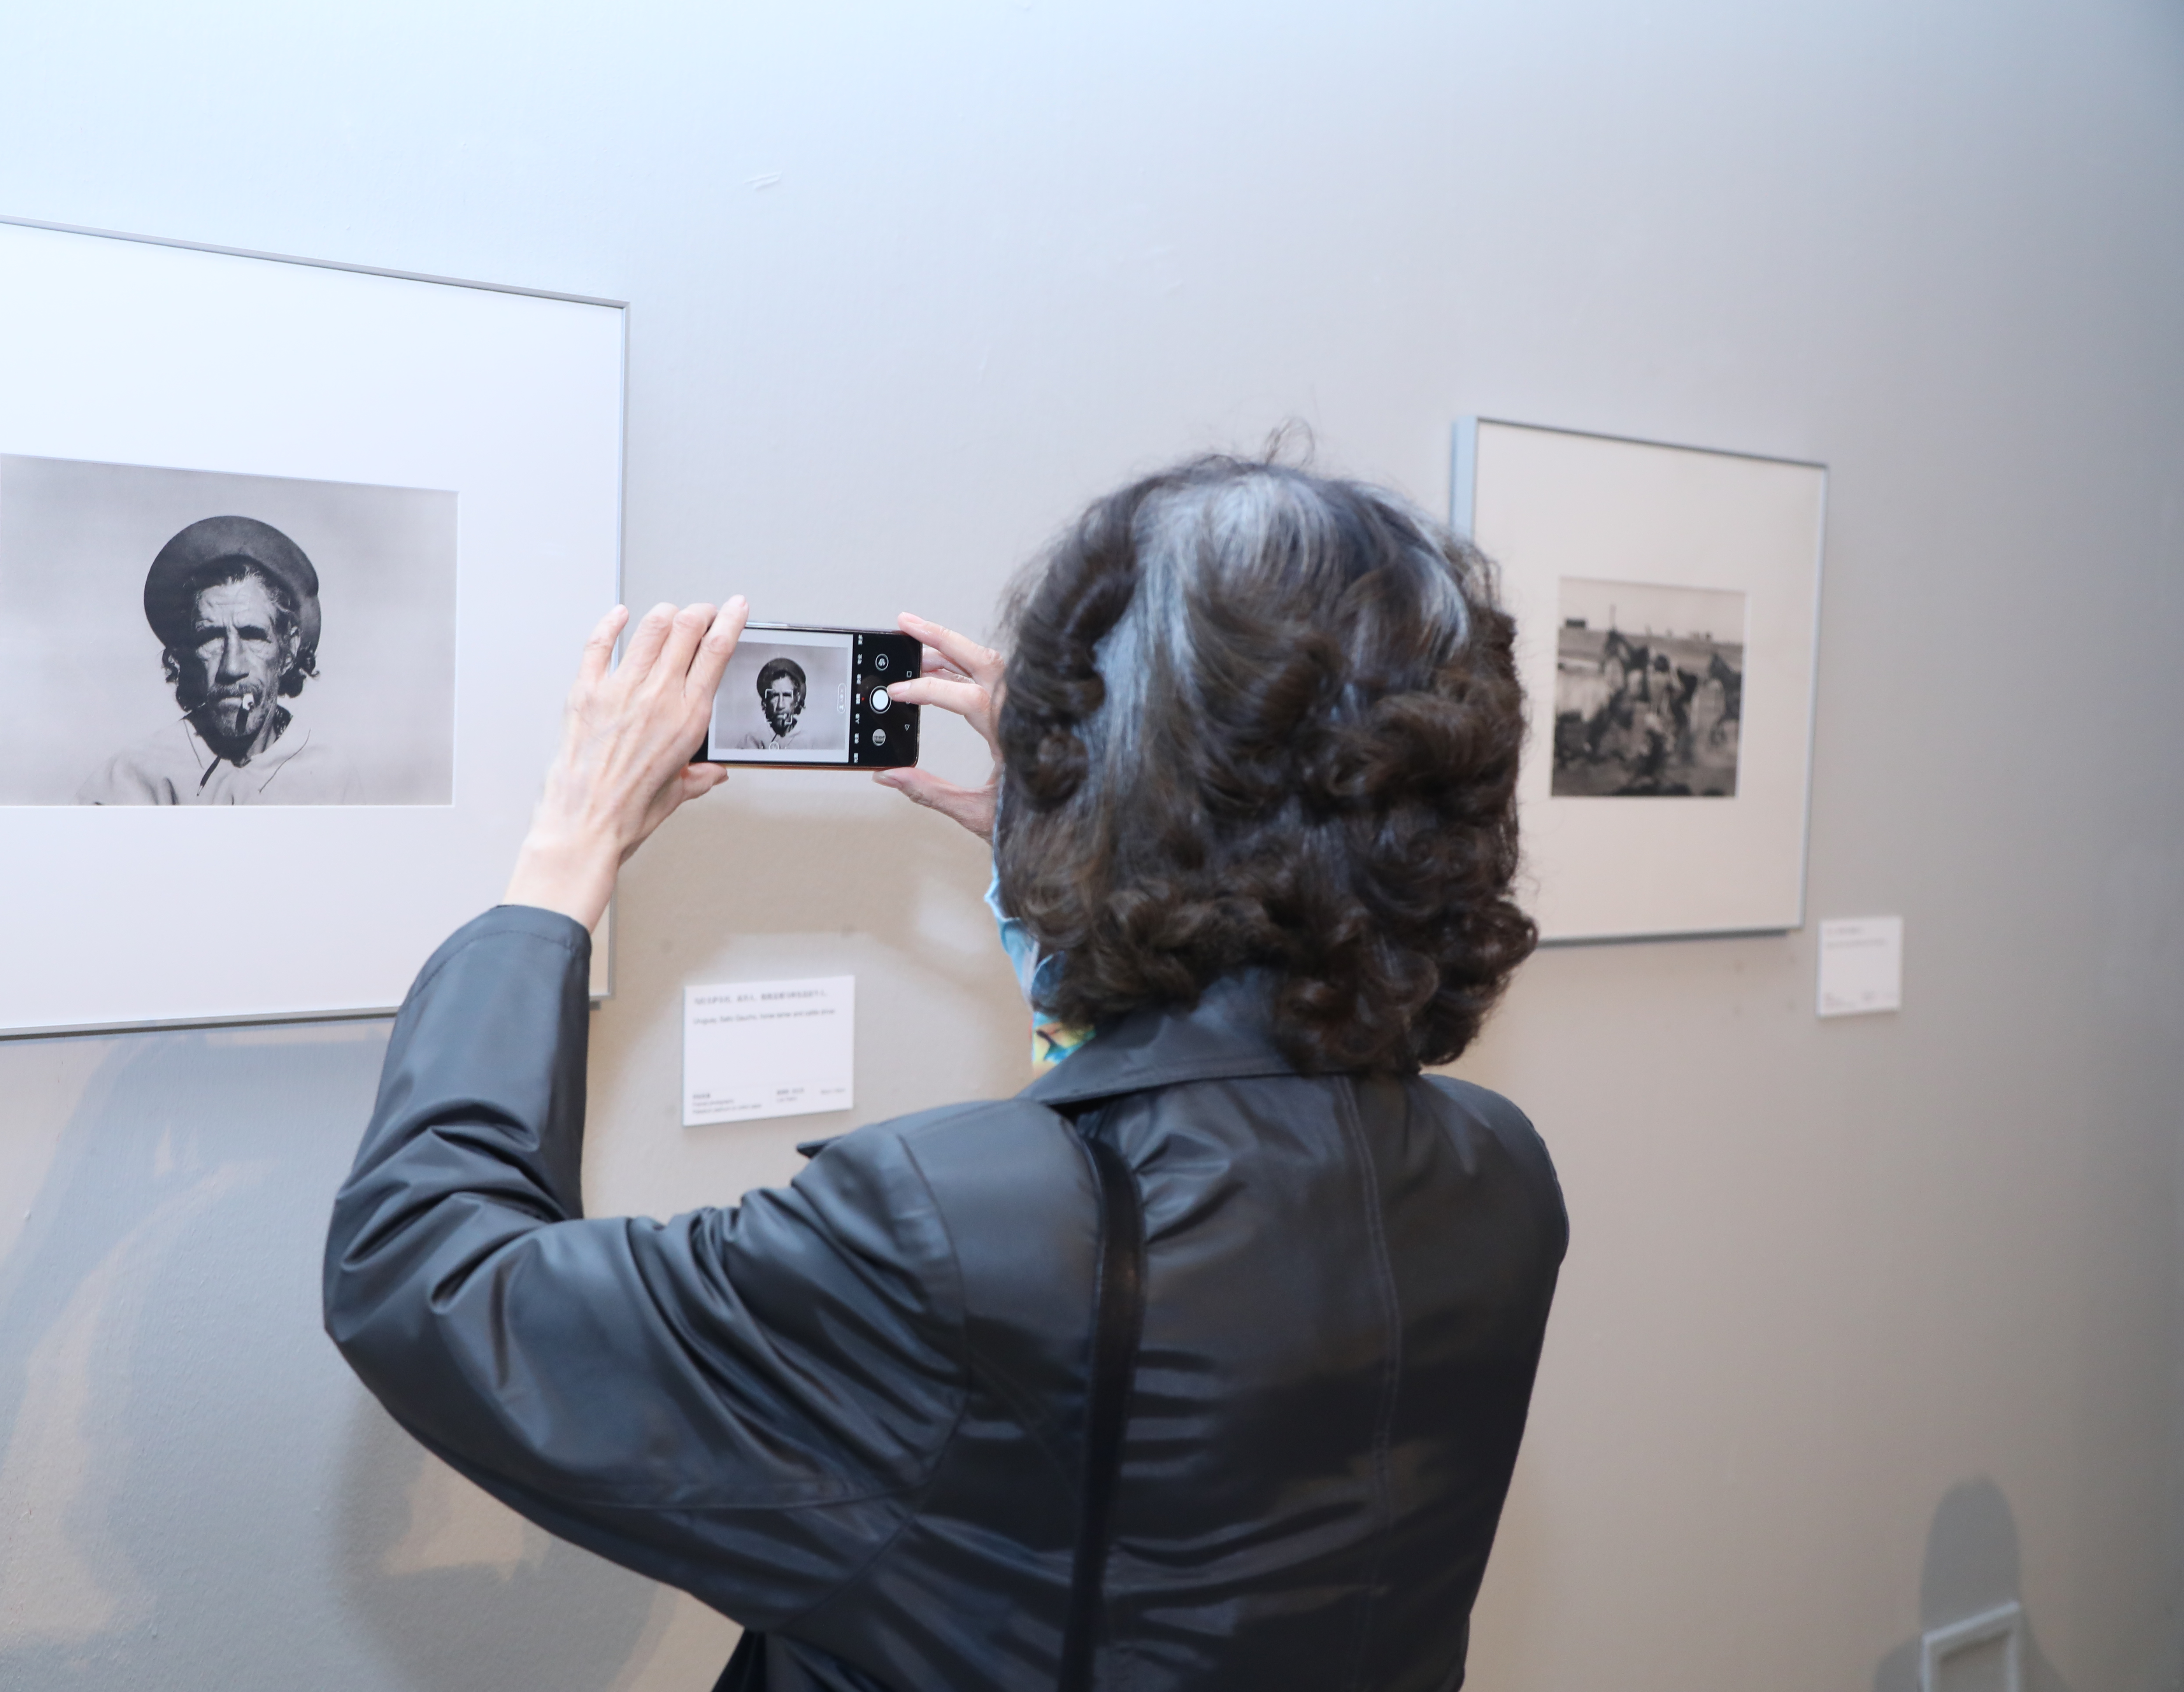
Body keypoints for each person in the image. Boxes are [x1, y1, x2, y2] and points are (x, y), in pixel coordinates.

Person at [324, 456, 1567, 1690]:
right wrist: (1093, 868)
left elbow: (432, 1278)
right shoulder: (1496, 1175)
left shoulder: (957, 1227)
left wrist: (564, 852)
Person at [77, 515, 354, 804]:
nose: (231, 667)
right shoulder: (131, 779)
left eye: (253, 636)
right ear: (186, 654)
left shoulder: (330, 778)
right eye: (211, 638)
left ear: (289, 651)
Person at [722, 654, 814, 751]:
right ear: (766, 701)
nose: (780, 705)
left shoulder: (810, 742)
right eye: (774, 696)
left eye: (787, 696)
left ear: (797, 700)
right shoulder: (750, 741)